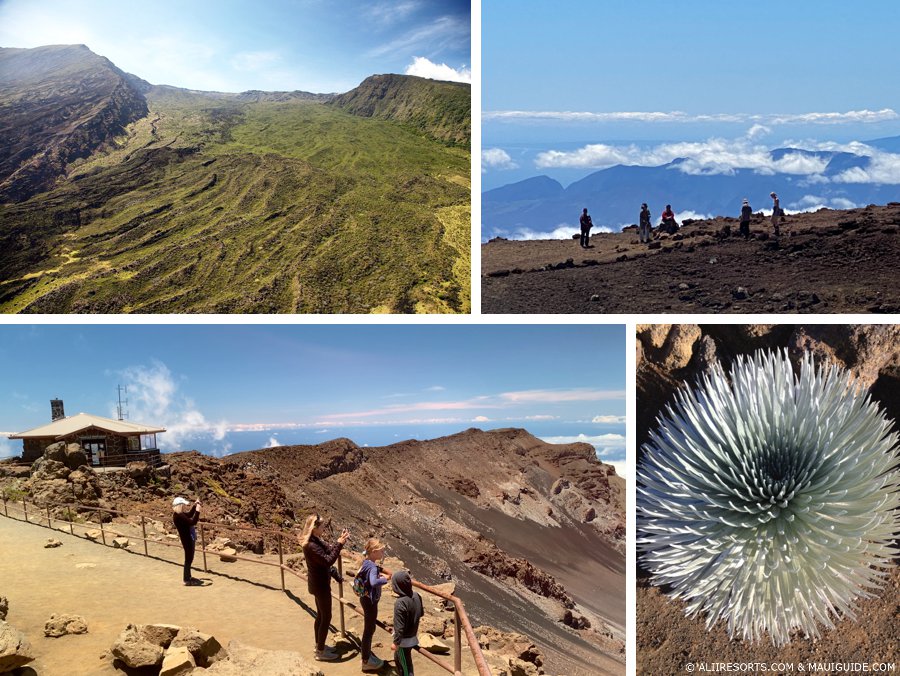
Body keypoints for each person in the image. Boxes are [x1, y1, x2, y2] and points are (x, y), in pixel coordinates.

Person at [301, 514, 350, 662]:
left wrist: (339, 541)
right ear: (314, 528)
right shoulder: (311, 545)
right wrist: (339, 544)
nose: (324, 528)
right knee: (326, 617)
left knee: (321, 616)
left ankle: (319, 646)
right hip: (320, 586)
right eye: (322, 526)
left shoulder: (314, 541)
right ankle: (320, 653)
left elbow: (328, 550)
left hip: (317, 584)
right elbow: (328, 560)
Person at [357, 538, 390, 672]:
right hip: (370, 601)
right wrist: (384, 579)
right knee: (369, 630)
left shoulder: (366, 562)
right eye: (381, 551)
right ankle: (366, 661)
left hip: (364, 598)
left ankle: (366, 655)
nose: (383, 553)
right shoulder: (372, 566)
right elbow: (373, 582)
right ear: (375, 552)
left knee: (369, 629)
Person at [391, 570, 424, 676]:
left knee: (406, 666)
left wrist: (396, 643)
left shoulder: (400, 603)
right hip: (413, 635)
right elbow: (421, 613)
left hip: (403, 641)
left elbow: (399, 628)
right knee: (403, 660)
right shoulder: (416, 595)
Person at [172, 496, 202, 586]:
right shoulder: (179, 516)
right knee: (188, 559)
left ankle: (188, 577)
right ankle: (186, 579)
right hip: (187, 539)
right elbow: (192, 522)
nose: (184, 506)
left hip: (186, 538)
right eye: (183, 505)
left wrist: (194, 506)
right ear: (180, 505)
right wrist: (197, 511)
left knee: (189, 558)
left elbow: (188, 515)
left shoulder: (178, 514)